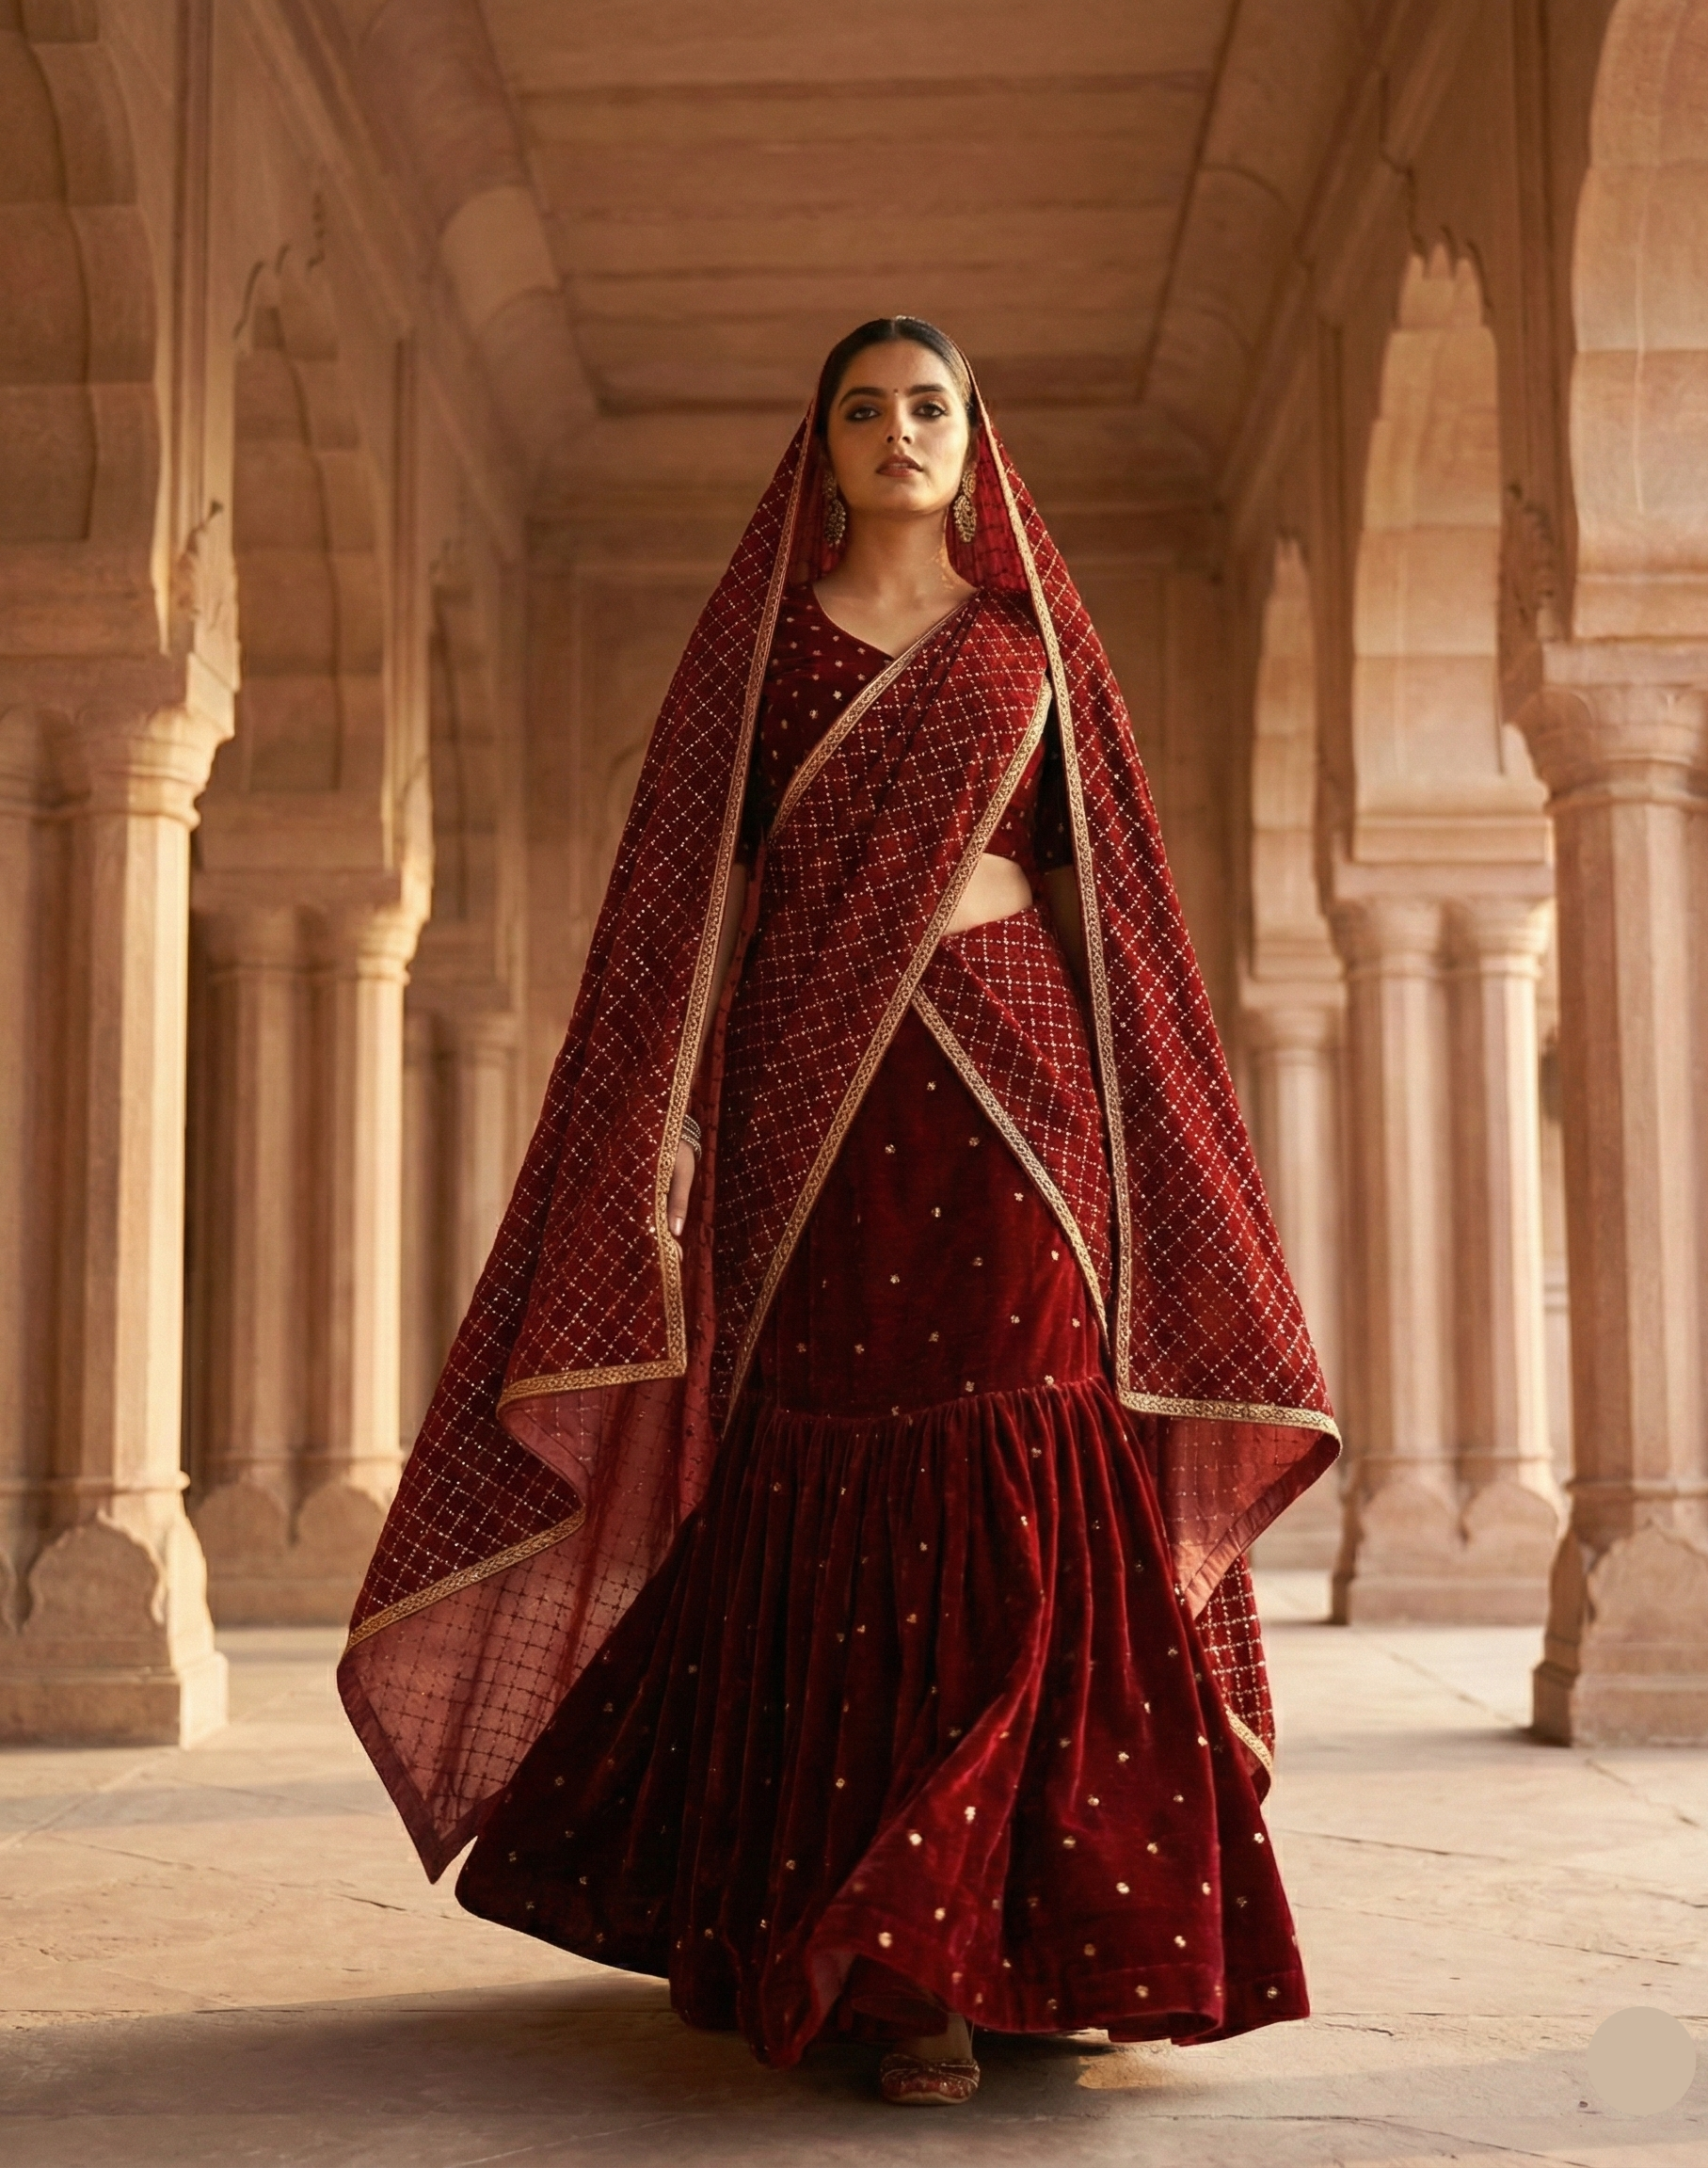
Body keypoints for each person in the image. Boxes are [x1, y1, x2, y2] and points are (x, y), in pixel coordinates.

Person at [340, 317, 1338, 2106]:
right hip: (812, 1114)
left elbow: (1121, 919)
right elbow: (668, 908)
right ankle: (873, 1955)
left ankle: (1041, 1931)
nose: (899, 434)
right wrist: (644, 1131)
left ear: (977, 441)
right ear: (819, 447)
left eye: (929, 408)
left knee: (1034, 1462)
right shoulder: (762, 654)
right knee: (835, 1459)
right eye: (864, 410)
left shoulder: (1035, 650)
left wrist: (1160, 1153)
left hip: (1029, 1100)